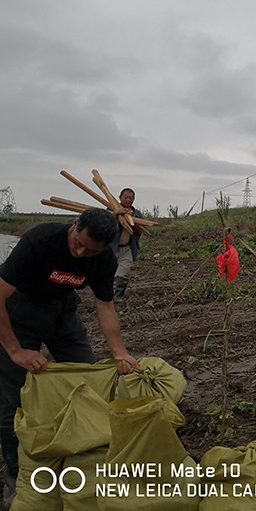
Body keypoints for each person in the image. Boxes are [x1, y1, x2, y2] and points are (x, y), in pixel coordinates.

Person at [0, 208, 140, 509]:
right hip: (20, 310)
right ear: (75, 225)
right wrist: (15, 350)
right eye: (78, 243)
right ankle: (16, 477)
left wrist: (118, 350)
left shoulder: (102, 258)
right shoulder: (40, 240)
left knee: (88, 383)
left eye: (90, 250)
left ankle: (78, 461)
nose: (80, 252)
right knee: (14, 400)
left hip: (62, 312)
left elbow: (105, 306)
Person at [109, 188, 143, 301]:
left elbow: (140, 230)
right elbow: (105, 224)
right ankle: (106, 296)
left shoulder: (137, 214)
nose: (128, 200)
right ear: (120, 197)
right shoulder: (111, 209)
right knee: (109, 272)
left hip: (127, 248)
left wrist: (132, 219)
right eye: (126, 197)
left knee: (123, 271)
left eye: (131, 198)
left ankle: (117, 296)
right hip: (112, 248)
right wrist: (116, 214)